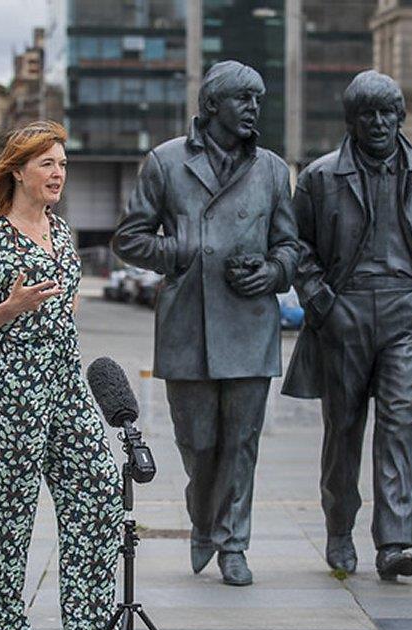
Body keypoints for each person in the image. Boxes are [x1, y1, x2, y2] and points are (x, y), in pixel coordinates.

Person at [0, 122, 155, 630]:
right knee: (10, 509)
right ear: (18, 170)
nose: (58, 174)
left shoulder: (62, 232)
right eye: (47, 164)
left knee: (97, 488)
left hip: (66, 384)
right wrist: (14, 307)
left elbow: (67, 307)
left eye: (63, 164)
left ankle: (94, 625)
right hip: (12, 390)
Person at [113, 61, 299, 586]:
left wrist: (270, 271)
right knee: (197, 443)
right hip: (187, 325)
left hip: (248, 322)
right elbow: (130, 237)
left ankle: (233, 543)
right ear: (212, 105)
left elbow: (291, 246)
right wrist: (178, 249)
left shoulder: (270, 169)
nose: (253, 111)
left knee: (242, 442)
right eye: (244, 100)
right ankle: (203, 520)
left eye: (258, 101)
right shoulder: (166, 162)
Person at [282, 70, 412, 580]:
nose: (378, 122)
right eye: (367, 113)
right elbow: (300, 249)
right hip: (345, 311)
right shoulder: (319, 177)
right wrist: (322, 303)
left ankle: (395, 541)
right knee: (344, 430)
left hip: (408, 313)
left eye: (387, 112)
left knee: (400, 427)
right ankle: (339, 529)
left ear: (401, 116)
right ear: (351, 120)